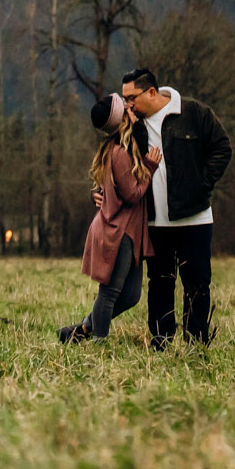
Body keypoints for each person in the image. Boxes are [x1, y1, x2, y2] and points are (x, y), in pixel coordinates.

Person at [121, 68, 232, 347]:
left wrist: (201, 185)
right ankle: (161, 342)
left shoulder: (194, 113)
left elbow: (222, 148)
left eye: (132, 98)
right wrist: (99, 193)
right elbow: (114, 164)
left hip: (195, 219)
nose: (128, 105)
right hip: (154, 223)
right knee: (159, 283)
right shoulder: (132, 126)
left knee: (197, 284)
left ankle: (197, 344)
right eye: (124, 100)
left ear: (151, 92)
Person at [58, 94, 160, 343]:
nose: (131, 108)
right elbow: (133, 194)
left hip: (130, 231)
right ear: (122, 120)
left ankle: (83, 329)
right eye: (126, 108)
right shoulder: (120, 155)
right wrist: (149, 167)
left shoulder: (122, 148)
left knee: (132, 295)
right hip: (118, 232)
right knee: (110, 292)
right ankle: (98, 342)